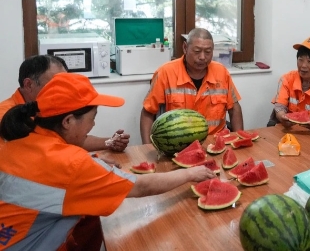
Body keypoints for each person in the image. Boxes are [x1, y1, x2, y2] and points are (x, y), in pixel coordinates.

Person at [0, 73, 216, 250]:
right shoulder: (71, 164)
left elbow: (50, 175)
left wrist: (93, 165)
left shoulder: (21, 137)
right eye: (92, 118)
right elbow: (141, 186)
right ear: (67, 121)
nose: (93, 125)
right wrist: (190, 174)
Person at [0, 55, 130, 153]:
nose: (64, 87)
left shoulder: (47, 107)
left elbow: (69, 140)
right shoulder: (5, 117)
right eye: (56, 83)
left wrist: (110, 142)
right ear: (29, 85)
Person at [140, 28, 243, 143]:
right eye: (197, 51)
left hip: (215, 141)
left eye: (208, 52)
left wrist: (239, 140)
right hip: (179, 144)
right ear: (185, 48)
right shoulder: (165, 73)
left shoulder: (221, 72)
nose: (203, 57)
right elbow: (147, 113)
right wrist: (147, 148)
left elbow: (234, 109)